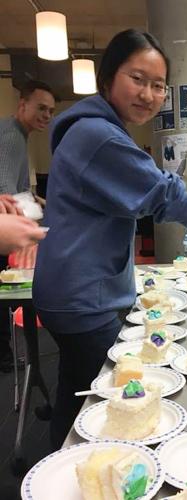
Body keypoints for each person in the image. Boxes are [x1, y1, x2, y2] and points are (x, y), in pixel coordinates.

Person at [33, 29, 187, 449]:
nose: (148, 94)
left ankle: (51, 461)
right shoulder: (100, 136)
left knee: (77, 393)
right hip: (82, 297)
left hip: (71, 289)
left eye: (158, 85)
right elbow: (171, 199)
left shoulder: (96, 129)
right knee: (114, 409)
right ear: (108, 77)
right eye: (137, 78)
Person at [0, 80, 55, 372]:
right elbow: (6, 196)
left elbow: (20, 192)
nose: (46, 115)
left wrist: (40, 200)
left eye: (50, 111)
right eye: (40, 108)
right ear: (22, 105)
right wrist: (34, 226)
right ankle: (5, 357)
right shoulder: (11, 137)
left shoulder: (18, 135)